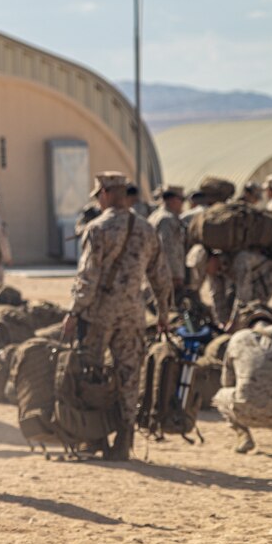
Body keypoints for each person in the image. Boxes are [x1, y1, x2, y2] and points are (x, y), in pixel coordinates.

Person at [61, 172, 172, 461]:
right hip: (133, 315)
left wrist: (74, 312)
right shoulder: (147, 229)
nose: (98, 200)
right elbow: (161, 277)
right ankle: (124, 439)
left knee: (92, 373)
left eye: (98, 195)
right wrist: (163, 313)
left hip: (99, 315)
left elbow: (87, 278)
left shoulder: (97, 229)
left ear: (108, 193)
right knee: (129, 376)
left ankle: (94, 436)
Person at [213, 324, 272, 453]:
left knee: (220, 396)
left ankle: (243, 436)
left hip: (247, 412)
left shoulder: (238, 338)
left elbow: (226, 382)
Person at [147, 184, 186, 303]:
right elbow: (168, 249)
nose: (182, 204)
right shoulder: (166, 219)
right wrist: (175, 275)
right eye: (182, 200)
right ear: (173, 200)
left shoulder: (155, 216)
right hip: (166, 274)